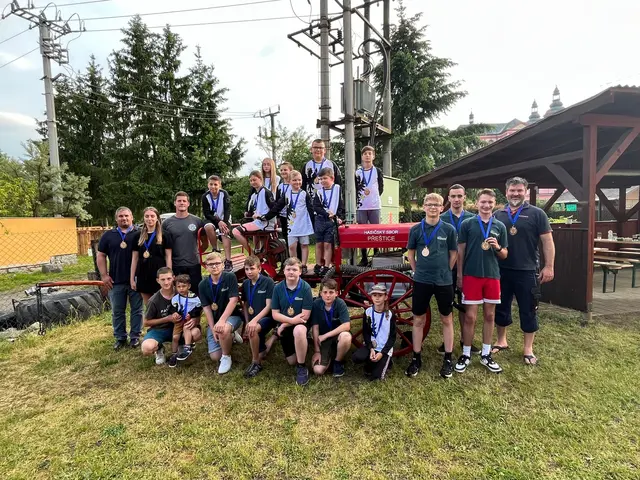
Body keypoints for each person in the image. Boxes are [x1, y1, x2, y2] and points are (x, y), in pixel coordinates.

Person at [493, 177, 555, 365]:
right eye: (512, 190)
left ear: (525, 191)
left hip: (527, 270)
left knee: (528, 309)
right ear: (506, 192)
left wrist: (549, 266)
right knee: (501, 306)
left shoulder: (537, 214)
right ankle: (501, 340)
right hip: (501, 269)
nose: (515, 193)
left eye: (519, 190)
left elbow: (547, 242)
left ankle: (528, 348)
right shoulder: (498, 214)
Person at [405, 193, 458, 379]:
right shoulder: (416, 230)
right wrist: (416, 271)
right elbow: (411, 254)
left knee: (447, 319)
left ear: (442, 207)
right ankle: (416, 357)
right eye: (429, 204)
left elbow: (453, 254)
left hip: (444, 281)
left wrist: (445, 271)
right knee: (418, 319)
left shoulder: (449, 229)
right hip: (422, 280)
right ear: (424, 207)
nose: (433, 207)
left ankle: (448, 359)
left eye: (437, 204)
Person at [456, 189, 508, 374]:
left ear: (494, 204)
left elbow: (504, 254)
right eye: (483, 202)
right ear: (476, 203)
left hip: (492, 276)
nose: (486, 206)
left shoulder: (500, 226)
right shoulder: (467, 224)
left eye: (490, 202)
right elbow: (460, 252)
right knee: (470, 317)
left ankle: (486, 354)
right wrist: (460, 276)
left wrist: (498, 247)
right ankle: (466, 353)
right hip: (471, 275)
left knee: (490, 316)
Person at [439, 184, 479, 355]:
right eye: (453, 196)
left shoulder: (473, 219)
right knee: (446, 305)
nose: (456, 199)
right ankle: (447, 342)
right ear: (448, 198)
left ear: (464, 198)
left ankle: (465, 340)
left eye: (459, 196)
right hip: (447, 267)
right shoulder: (440, 218)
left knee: (465, 305)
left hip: (468, 267)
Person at [97, 207, 143, 350]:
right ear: (116, 219)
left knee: (137, 310)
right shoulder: (108, 236)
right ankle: (120, 337)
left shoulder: (140, 234)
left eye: (127, 216)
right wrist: (104, 275)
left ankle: (135, 336)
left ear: (132, 217)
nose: (124, 218)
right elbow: (101, 255)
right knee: (117, 310)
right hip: (115, 280)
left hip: (136, 279)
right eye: (121, 216)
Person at [271, 257, 314, 386]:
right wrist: (290, 320)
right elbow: (274, 314)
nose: (291, 272)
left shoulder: (305, 287)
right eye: (288, 269)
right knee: (291, 361)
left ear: (300, 272)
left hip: (301, 323)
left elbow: (305, 315)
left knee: (299, 330)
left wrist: (285, 323)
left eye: (294, 269)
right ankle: (303, 344)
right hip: (288, 322)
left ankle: (302, 367)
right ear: (283, 271)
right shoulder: (278, 288)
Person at [198, 252, 243, 374]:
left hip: (232, 316)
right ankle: (231, 336)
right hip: (215, 321)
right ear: (206, 267)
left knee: (222, 329)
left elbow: (233, 300)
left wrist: (222, 321)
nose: (214, 266)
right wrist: (212, 328)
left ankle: (226, 356)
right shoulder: (202, 285)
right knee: (214, 356)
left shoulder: (230, 277)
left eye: (217, 263)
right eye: (210, 264)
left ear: (223, 265)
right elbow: (207, 308)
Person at [265, 170, 315, 274]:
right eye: (294, 180)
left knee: (304, 245)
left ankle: (304, 265)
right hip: (291, 224)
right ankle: (295, 264)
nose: (297, 182)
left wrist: (314, 224)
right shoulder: (287, 193)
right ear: (290, 181)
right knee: (292, 246)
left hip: (303, 224)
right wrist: (266, 217)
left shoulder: (304, 194)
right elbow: (278, 206)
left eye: (299, 180)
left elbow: (311, 209)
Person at [162, 191, 205, 293]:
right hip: (176, 265)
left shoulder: (197, 221)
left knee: (195, 293)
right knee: (178, 294)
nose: (182, 203)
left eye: (184, 201)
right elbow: (164, 246)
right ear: (175, 203)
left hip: (193, 264)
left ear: (188, 203)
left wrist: (195, 254)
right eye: (179, 201)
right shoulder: (167, 223)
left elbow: (205, 242)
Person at [352, 284, 396, 381]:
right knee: (356, 357)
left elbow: (392, 337)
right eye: (374, 295)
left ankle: (386, 361)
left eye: (380, 295)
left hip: (384, 349)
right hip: (372, 345)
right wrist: (370, 348)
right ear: (371, 297)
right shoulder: (368, 312)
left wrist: (382, 353)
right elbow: (366, 332)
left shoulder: (390, 314)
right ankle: (371, 361)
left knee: (376, 377)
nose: (377, 298)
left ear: (385, 297)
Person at [130, 206, 172, 305]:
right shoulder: (137, 236)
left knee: (163, 304)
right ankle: (150, 320)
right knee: (148, 305)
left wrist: (169, 276)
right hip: (143, 274)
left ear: (157, 218)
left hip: (160, 274)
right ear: (143, 218)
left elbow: (168, 257)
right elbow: (134, 258)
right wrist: (132, 279)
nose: (150, 219)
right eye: (147, 216)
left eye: (152, 216)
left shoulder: (165, 235)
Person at [310, 278, 352, 377]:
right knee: (318, 370)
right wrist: (317, 351)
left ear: (336, 293)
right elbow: (315, 328)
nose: (328, 295)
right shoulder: (316, 304)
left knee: (346, 336)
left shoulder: (340, 303)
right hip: (323, 341)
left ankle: (337, 362)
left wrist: (325, 335)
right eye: (325, 292)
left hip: (337, 337)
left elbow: (347, 325)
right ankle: (329, 356)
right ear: (320, 293)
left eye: (331, 292)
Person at [242, 256, 276, 378]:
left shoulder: (268, 282)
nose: (249, 272)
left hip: (267, 318)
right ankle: (271, 340)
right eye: (246, 269)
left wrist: (254, 321)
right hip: (252, 320)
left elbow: (268, 306)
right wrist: (247, 321)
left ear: (259, 269)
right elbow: (245, 304)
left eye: (252, 269)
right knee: (263, 353)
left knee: (253, 329)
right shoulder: (246, 283)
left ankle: (255, 363)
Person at [140, 267, 180, 365]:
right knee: (146, 348)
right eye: (163, 279)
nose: (166, 282)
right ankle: (159, 348)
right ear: (158, 281)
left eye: (169, 279)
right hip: (160, 329)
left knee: (196, 333)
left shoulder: (181, 292)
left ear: (174, 278)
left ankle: (183, 346)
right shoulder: (153, 300)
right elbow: (146, 322)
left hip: (179, 327)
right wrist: (167, 318)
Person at [233, 170, 276, 254]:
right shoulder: (256, 194)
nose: (252, 182)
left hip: (264, 224)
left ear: (260, 179)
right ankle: (257, 252)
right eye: (251, 180)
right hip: (259, 222)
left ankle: (252, 254)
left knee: (236, 231)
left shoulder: (266, 192)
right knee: (254, 236)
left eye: (254, 180)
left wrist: (263, 217)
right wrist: (250, 214)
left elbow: (273, 209)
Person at [312, 167, 344, 277]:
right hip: (320, 219)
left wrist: (338, 216)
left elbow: (340, 205)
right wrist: (326, 214)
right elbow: (316, 207)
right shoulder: (319, 192)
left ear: (332, 178)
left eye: (325, 178)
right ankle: (318, 264)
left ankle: (326, 265)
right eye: (320, 179)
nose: (323, 181)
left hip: (332, 220)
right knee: (319, 243)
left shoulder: (337, 189)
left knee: (328, 244)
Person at [356, 145, 384, 266]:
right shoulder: (357, 172)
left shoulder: (377, 171)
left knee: (376, 231)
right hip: (361, 206)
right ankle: (364, 257)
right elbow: (356, 187)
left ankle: (377, 255)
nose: (367, 155)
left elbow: (381, 187)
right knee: (362, 232)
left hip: (374, 205)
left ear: (373, 156)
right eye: (365, 153)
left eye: (369, 153)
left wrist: (374, 196)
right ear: (362, 156)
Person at [168, 274, 203, 368]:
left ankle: (187, 347)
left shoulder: (194, 297)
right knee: (175, 337)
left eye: (184, 286)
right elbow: (172, 308)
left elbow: (199, 308)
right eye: (178, 287)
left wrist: (192, 314)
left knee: (186, 327)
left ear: (189, 286)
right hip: (179, 321)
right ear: (175, 287)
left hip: (189, 320)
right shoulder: (175, 298)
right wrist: (174, 313)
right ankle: (174, 354)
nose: (181, 289)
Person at [202, 175, 234, 272]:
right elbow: (206, 213)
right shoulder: (205, 196)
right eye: (211, 184)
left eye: (215, 184)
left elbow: (227, 210)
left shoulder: (224, 194)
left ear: (220, 185)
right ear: (208, 185)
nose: (213, 187)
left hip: (224, 218)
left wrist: (223, 222)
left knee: (224, 232)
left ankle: (228, 260)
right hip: (212, 219)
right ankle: (216, 249)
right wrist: (217, 221)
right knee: (208, 227)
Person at [276, 161, 293, 249]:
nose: (283, 172)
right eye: (281, 170)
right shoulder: (279, 186)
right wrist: (277, 216)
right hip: (283, 215)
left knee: (293, 237)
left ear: (290, 171)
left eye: (285, 170)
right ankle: (288, 259)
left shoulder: (294, 184)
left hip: (293, 215)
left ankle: (298, 259)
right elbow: (278, 202)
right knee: (285, 236)